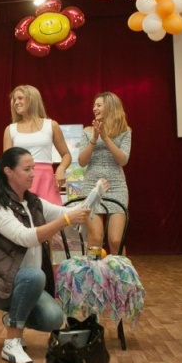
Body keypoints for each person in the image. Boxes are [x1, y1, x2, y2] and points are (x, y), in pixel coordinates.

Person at [0, 148, 91, 363]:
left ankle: (12, 319)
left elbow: (64, 212)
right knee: (34, 276)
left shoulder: (34, 202)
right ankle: (12, 342)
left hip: (22, 283)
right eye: (27, 169)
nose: (33, 174)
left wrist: (93, 197)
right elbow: (25, 237)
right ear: (8, 171)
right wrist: (64, 222)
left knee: (53, 319)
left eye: (33, 168)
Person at [77, 91, 131, 254]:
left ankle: (119, 270)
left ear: (110, 107)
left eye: (99, 105)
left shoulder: (125, 131)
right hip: (92, 187)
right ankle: (93, 270)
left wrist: (106, 138)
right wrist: (94, 138)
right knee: (95, 238)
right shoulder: (87, 131)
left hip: (116, 187)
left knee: (115, 240)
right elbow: (82, 161)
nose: (94, 108)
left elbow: (123, 160)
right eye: (94, 105)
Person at [2, 85, 72, 205]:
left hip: (46, 181)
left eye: (20, 98)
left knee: (52, 214)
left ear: (32, 99)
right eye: (14, 100)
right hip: (20, 181)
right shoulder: (10, 129)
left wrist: (61, 169)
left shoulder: (51, 125)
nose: (16, 102)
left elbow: (66, 155)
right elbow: (6, 162)